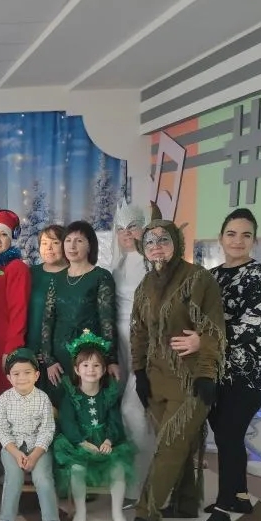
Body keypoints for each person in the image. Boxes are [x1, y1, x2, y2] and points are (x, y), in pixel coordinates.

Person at [173, 209, 261, 521]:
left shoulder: (260, 277)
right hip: (216, 371)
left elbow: (248, 326)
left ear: (254, 240)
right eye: (231, 234)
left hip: (249, 375)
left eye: (246, 235)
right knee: (225, 435)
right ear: (220, 238)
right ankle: (240, 496)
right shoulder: (211, 276)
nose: (237, 240)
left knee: (230, 435)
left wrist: (201, 341)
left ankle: (222, 509)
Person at [127, 218, 226, 521]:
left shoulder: (198, 279)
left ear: (176, 243)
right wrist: (139, 372)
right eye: (150, 241)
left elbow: (214, 330)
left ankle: (146, 512)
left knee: (170, 445)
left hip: (190, 380)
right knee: (177, 444)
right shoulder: (145, 285)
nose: (156, 246)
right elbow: (138, 332)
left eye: (163, 240)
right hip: (156, 380)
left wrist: (207, 373)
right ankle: (185, 503)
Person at [51, 331, 136, 521]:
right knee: (77, 470)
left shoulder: (108, 394)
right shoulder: (71, 395)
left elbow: (115, 421)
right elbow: (68, 423)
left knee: (118, 468)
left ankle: (117, 511)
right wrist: (81, 442)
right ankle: (81, 511)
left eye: (96, 365)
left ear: (104, 369)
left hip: (105, 443)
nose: (91, 370)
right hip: (79, 444)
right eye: (85, 365)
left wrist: (109, 440)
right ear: (77, 369)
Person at [41, 221, 119, 398]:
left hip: (89, 358)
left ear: (90, 245)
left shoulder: (101, 276)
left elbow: (107, 321)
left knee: (87, 405)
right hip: (58, 360)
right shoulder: (57, 279)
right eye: (68, 240)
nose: (72, 246)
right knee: (59, 405)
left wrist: (111, 359)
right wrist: (49, 360)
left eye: (79, 241)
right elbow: (48, 319)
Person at [106, 201, 153, 487]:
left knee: (133, 410)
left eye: (132, 227)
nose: (126, 233)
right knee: (120, 409)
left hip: (143, 344)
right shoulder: (117, 264)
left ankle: (142, 481)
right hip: (119, 345)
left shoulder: (151, 264)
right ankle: (124, 476)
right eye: (121, 228)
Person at [0, 348, 61, 521]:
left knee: (43, 479)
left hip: (38, 448)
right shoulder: (4, 399)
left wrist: (34, 455)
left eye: (27, 372)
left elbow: (47, 430)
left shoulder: (43, 399)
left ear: (36, 375)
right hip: (12, 448)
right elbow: (1, 430)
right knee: (13, 477)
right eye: (16, 374)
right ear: (9, 377)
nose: (22, 378)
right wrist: (16, 454)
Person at [0, 209, 32, 401]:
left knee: (5, 401)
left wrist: (11, 349)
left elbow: (19, 311)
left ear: (12, 237)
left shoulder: (16, 268)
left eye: (3, 235)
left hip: (3, 347)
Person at [27, 225, 67, 399]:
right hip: (31, 350)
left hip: (61, 354)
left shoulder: (74, 274)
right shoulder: (30, 273)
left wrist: (51, 353)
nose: (49, 248)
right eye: (44, 243)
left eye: (55, 243)